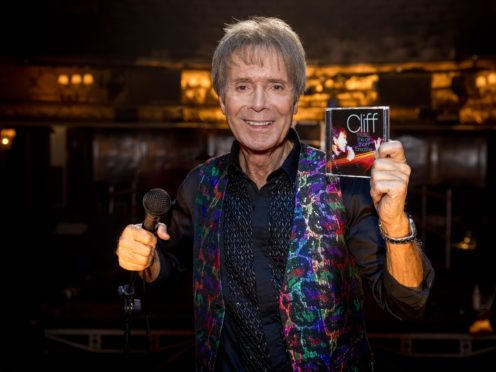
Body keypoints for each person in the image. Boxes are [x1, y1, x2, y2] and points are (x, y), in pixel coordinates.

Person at [116, 16, 434, 370]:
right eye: (242, 87)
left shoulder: (345, 182)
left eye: (276, 87)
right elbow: (168, 270)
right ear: (222, 100)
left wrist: (394, 223)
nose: (258, 104)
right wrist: (143, 257)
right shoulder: (200, 184)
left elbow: (408, 303)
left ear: (296, 100)